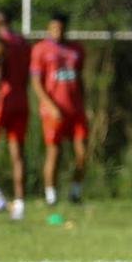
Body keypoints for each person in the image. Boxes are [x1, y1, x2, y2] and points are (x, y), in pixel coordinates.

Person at [30, 12, 88, 206]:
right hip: (53, 110)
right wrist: (50, 105)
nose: (57, 32)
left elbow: (80, 79)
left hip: (76, 109)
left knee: (82, 152)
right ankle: (51, 196)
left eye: (60, 28)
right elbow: (36, 82)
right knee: (55, 153)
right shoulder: (40, 50)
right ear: (48, 28)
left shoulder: (76, 50)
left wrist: (84, 104)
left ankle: (75, 193)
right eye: (53, 28)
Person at [0, 9, 30, 220]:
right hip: (21, 100)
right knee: (17, 154)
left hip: (2, 101)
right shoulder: (22, 42)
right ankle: (20, 206)